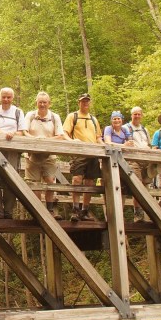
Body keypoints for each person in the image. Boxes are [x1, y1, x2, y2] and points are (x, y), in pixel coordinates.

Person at [24, 91, 69, 220]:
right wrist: (36, 139)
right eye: (40, 102)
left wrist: (46, 141)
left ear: (49, 103)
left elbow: (60, 135)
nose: (42, 104)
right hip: (32, 155)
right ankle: (38, 211)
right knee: (34, 183)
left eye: (44, 102)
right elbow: (24, 132)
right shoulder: (30, 116)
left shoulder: (55, 117)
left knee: (50, 181)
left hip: (49, 155)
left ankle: (50, 210)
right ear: (36, 103)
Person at [63, 92, 103, 222]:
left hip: (93, 153)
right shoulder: (72, 116)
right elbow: (65, 133)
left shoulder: (93, 119)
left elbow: (98, 138)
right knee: (76, 179)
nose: (85, 103)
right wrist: (72, 142)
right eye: (83, 101)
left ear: (89, 102)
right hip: (78, 152)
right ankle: (75, 210)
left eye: (87, 101)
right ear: (79, 102)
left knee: (90, 182)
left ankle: (85, 211)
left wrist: (106, 148)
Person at [0, 87, 27, 219]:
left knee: (11, 179)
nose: (6, 99)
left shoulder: (17, 112)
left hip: (12, 150)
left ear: (12, 98)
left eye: (8, 97)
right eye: (3, 97)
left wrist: (13, 133)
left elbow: (22, 131)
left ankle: (8, 212)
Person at [123, 106, 156, 222]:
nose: (137, 116)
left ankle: (144, 213)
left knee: (145, 185)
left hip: (145, 160)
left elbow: (150, 144)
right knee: (137, 184)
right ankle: (137, 214)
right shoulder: (125, 128)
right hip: (132, 159)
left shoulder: (144, 129)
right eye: (134, 114)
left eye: (139, 114)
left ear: (142, 115)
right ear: (131, 115)